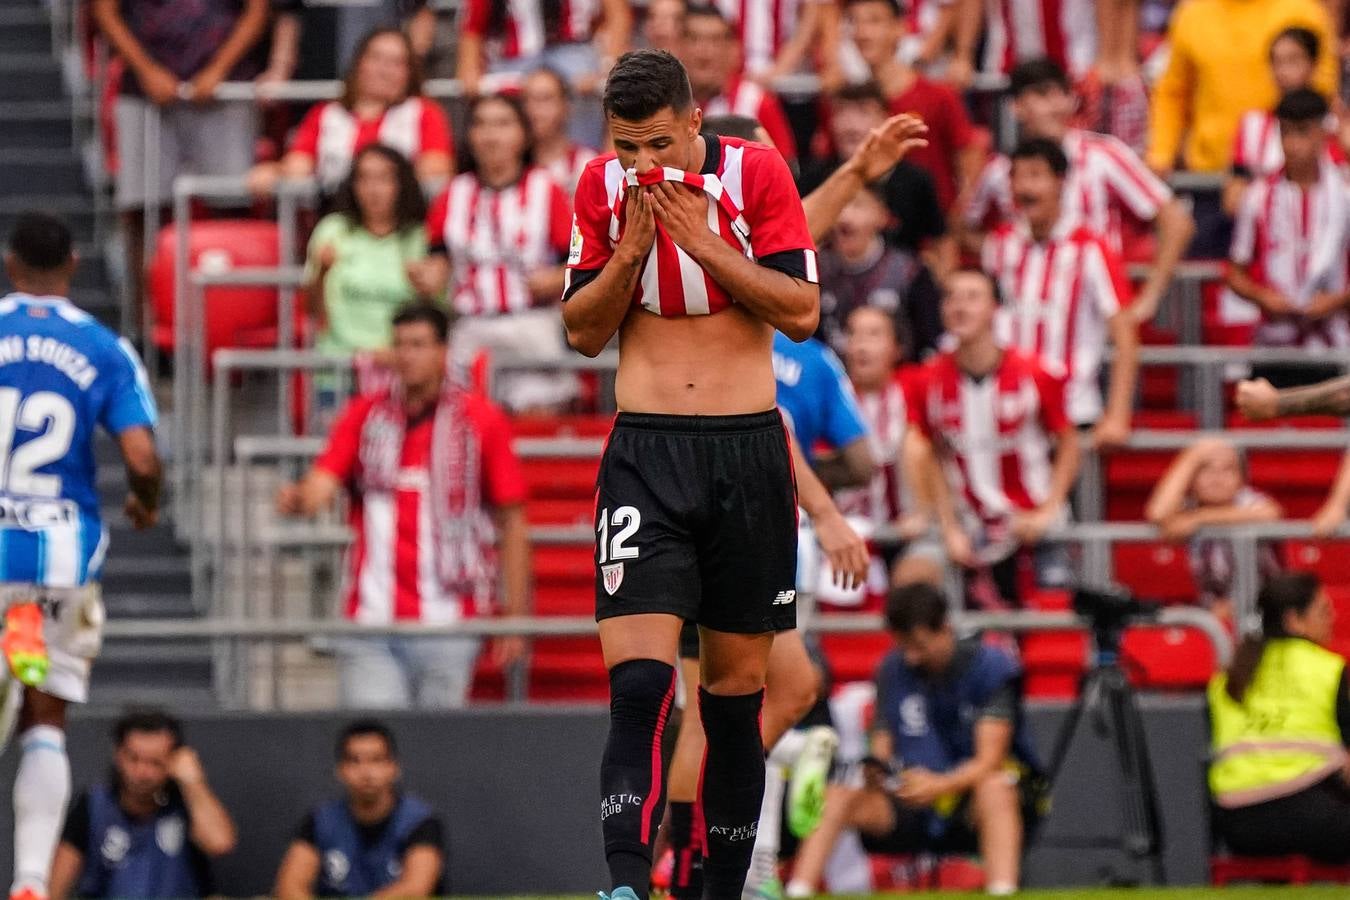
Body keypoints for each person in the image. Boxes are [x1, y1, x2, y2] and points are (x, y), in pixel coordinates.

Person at [562, 48, 819, 899]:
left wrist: (703, 243)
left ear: (697, 123)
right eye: (627, 146)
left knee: (735, 701)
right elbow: (582, 332)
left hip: (746, 454)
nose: (642, 166)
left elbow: (802, 313)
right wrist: (630, 254)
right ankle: (626, 883)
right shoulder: (599, 190)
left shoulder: (759, 174)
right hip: (648, 452)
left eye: (659, 145)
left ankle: (716, 887)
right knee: (639, 682)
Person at [0, 214, 162, 900]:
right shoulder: (104, 348)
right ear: (72, 264)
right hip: (58, 568)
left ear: (11, 265)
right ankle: (32, 882)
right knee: (45, 714)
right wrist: (146, 503)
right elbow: (141, 455)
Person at [276, 303, 531, 709]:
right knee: (375, 747)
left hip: (449, 622)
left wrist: (516, 618)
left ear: (444, 351)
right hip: (370, 622)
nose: (407, 355)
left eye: (418, 344)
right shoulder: (364, 414)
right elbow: (323, 481)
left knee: (435, 757)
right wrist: (300, 498)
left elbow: (512, 523)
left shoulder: (482, 421)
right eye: (399, 345)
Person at [785, 583, 1045, 898]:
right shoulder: (892, 668)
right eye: (903, 645)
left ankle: (1002, 890)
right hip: (909, 799)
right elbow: (882, 743)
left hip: (967, 800)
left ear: (944, 628)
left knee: (996, 786)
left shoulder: (990, 665)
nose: (911, 656)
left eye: (919, 645)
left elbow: (989, 760)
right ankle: (797, 891)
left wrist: (938, 785)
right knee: (836, 795)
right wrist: (880, 773)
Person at [959, 58, 1193, 325]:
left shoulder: (1105, 156)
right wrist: (1000, 250)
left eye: (1063, 94)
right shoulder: (999, 171)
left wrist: (1148, 299)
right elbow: (963, 229)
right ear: (1016, 107)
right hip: (1025, 314)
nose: (1056, 105)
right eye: (1042, 94)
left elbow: (1176, 222)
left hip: (1097, 309)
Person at [904, 270, 1081, 608]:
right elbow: (932, 454)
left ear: (994, 308)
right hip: (970, 529)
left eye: (972, 297)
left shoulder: (1036, 373)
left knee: (1055, 623)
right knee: (916, 586)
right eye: (951, 297)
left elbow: (1069, 442)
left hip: (1033, 521)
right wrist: (948, 524)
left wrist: (1050, 507)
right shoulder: (928, 380)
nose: (959, 307)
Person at [91, 0, 268, 330]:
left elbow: (258, 10)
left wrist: (219, 69)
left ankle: (234, 324)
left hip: (225, 88)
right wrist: (147, 71)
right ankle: (148, 331)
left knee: (232, 208)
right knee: (143, 213)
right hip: (145, 92)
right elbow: (105, 11)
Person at [406, 93, 575, 412]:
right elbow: (438, 264)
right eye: (481, 124)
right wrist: (424, 276)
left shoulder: (546, 188)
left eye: (503, 124)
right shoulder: (452, 193)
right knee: (463, 424)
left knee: (536, 424)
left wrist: (554, 279)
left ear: (524, 134)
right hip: (471, 327)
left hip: (530, 322)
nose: (491, 135)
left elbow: (577, 262)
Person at [982, 139, 1140, 449]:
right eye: (1016, 176)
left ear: (1060, 182)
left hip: (1073, 410)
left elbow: (1124, 336)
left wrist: (1118, 414)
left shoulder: (1091, 248)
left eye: (1035, 175)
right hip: (1006, 410)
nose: (1024, 187)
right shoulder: (998, 245)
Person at [1208, 573, 1350, 862]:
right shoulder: (1327, 669)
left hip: (1237, 824)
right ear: (1293, 619)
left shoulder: (1227, 676)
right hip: (1312, 817)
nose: (1332, 617)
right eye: (1323, 610)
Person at [1226, 89, 1350, 384]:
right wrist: (1263, 297)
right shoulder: (1258, 197)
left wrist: (1337, 300)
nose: (1293, 144)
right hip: (1274, 345)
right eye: (1286, 133)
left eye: (1303, 132)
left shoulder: (1344, 194)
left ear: (1322, 132)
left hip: (1333, 345)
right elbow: (1235, 272)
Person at [48, 712, 236, 900]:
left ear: (174, 761)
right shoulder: (93, 806)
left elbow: (219, 843)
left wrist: (194, 783)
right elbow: (56, 885)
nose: (143, 772)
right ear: (118, 754)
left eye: (155, 763)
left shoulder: (187, 805)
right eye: (134, 759)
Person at [1146, 0, 1337, 176]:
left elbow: (1322, 93)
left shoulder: (1303, 12)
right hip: (1209, 175)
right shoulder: (1193, 15)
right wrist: (1161, 152)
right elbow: (1172, 93)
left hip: (1283, 176)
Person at [253, 28, 453, 196]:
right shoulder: (326, 114)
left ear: (409, 73)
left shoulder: (424, 113)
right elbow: (298, 166)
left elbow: (437, 168)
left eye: (396, 63)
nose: (384, 70)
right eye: (377, 58)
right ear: (359, 64)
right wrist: (275, 171)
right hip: (336, 218)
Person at [837, 305, 946, 589]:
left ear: (897, 348)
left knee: (916, 442)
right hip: (846, 533)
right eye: (853, 334)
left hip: (910, 529)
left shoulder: (915, 385)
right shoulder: (833, 394)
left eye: (874, 335)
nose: (861, 345)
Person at [274, 721, 445, 898]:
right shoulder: (321, 821)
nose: (366, 772)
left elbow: (416, 889)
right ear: (340, 769)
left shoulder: (420, 822)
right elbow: (290, 887)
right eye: (355, 761)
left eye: (376, 760)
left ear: (393, 767)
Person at [843, 0, 981, 212]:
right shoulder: (846, 102)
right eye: (854, 22)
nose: (862, 32)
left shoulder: (938, 96)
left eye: (874, 21)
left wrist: (956, 220)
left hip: (930, 228)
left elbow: (969, 158)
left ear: (899, 28)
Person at [798, 84, 951, 273]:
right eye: (841, 112)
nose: (851, 125)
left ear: (885, 119)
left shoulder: (916, 181)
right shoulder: (812, 178)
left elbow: (941, 243)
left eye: (863, 112)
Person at [305, 144, 429, 356]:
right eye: (363, 179)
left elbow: (433, 317)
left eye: (384, 179)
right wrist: (323, 273)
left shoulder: (419, 238)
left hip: (400, 367)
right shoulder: (333, 230)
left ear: (402, 185)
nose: (373, 189)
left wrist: (424, 287)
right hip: (340, 364)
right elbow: (312, 311)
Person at [1144, 438, 1283, 624]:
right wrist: (1191, 457)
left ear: (1242, 479)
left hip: (1265, 611)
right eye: (1206, 469)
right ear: (1191, 479)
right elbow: (1157, 513)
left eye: (1228, 469)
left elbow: (1271, 514)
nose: (1217, 478)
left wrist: (1199, 519)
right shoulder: (1187, 509)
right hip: (1209, 614)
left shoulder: (1248, 503)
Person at [1225, 28, 1343, 214]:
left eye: (1293, 61)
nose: (1283, 71)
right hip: (1270, 226)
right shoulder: (1252, 125)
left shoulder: (1334, 124)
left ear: (1313, 64)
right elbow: (1233, 197)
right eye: (1277, 62)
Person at [816, 186, 942, 359]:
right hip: (827, 378)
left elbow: (930, 344)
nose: (844, 216)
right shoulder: (813, 270)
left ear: (882, 216)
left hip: (898, 379)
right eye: (838, 205)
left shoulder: (910, 271)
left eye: (857, 206)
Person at [678, 5, 799, 163]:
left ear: (733, 49)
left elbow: (787, 169)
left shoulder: (757, 102)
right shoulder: (666, 102)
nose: (704, 53)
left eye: (714, 41)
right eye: (694, 39)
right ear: (678, 45)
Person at [522, 68, 600, 196]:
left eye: (544, 99)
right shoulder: (512, 166)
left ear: (566, 106)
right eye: (526, 100)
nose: (533, 110)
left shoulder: (587, 164)